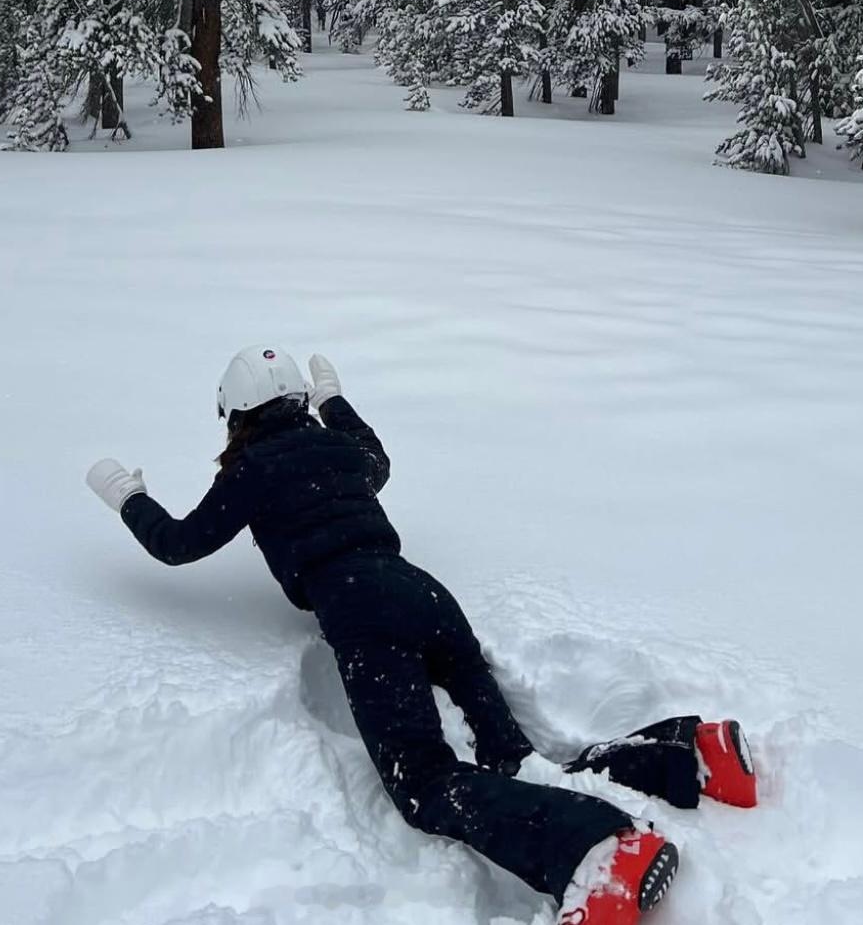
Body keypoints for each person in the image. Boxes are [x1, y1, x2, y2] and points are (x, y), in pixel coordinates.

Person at [86, 348, 757, 925]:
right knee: (511, 760)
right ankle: (694, 755)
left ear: (235, 411)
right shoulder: (337, 448)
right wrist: (337, 403)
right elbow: (377, 461)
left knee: (425, 786)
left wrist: (128, 499)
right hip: (426, 594)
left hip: (362, 612)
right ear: (295, 399)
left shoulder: (249, 471)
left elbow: (178, 545)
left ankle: (597, 851)